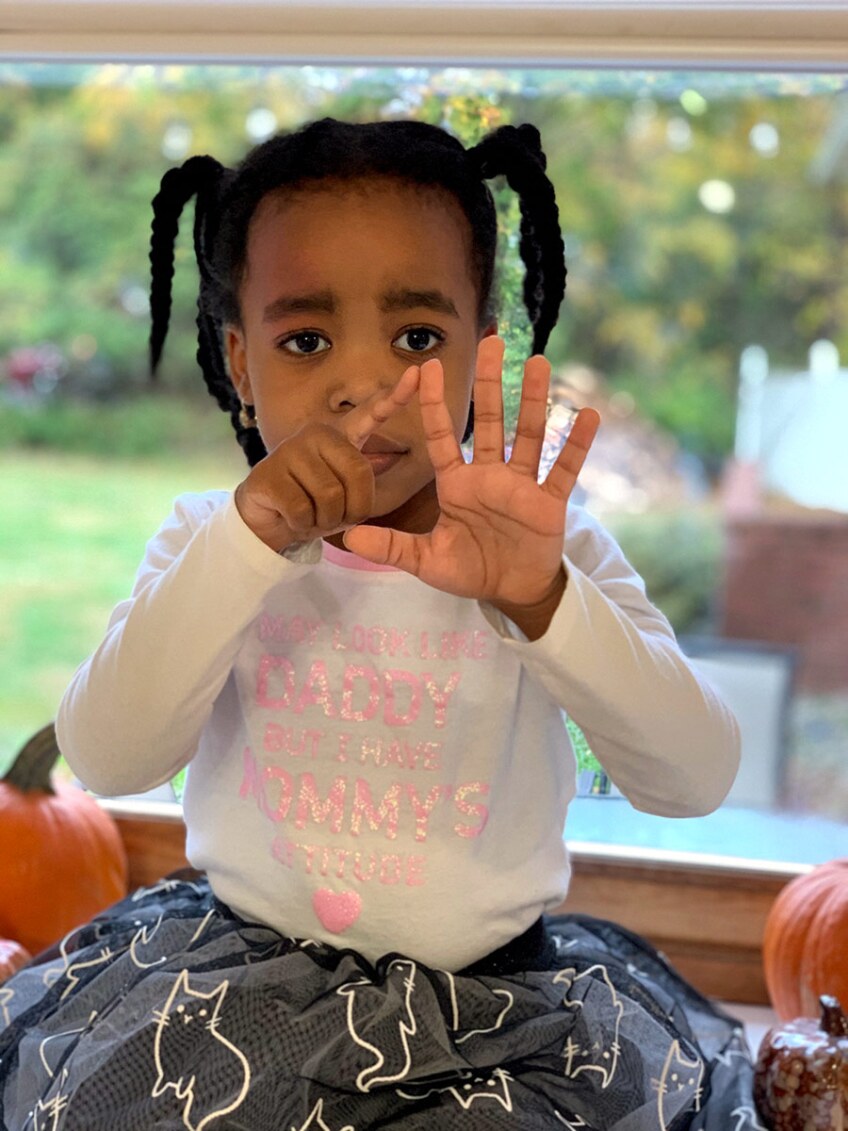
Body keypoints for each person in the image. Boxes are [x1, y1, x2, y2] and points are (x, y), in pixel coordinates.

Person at [0, 117, 757, 1129]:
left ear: (481, 347)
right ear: (238, 361)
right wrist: (245, 547)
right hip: (231, 993)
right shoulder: (207, 543)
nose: (362, 384)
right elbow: (109, 753)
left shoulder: (548, 554)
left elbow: (692, 776)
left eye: (415, 337)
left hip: (503, 1016)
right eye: (305, 339)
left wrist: (541, 601)